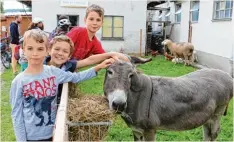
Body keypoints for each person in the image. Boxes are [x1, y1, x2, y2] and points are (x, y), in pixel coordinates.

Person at [10, 29, 115, 141]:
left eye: (40, 49)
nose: (35, 53)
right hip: (31, 137)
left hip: (54, 134)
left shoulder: (54, 73)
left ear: (47, 51)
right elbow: (17, 115)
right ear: (23, 50)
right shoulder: (18, 81)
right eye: (30, 48)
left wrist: (99, 67)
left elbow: (77, 77)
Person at [45, 35, 130, 103]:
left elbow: (87, 63)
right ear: (49, 50)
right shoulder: (38, 66)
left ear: (69, 56)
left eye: (65, 51)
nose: (60, 53)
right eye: (57, 49)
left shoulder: (68, 65)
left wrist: (110, 55)